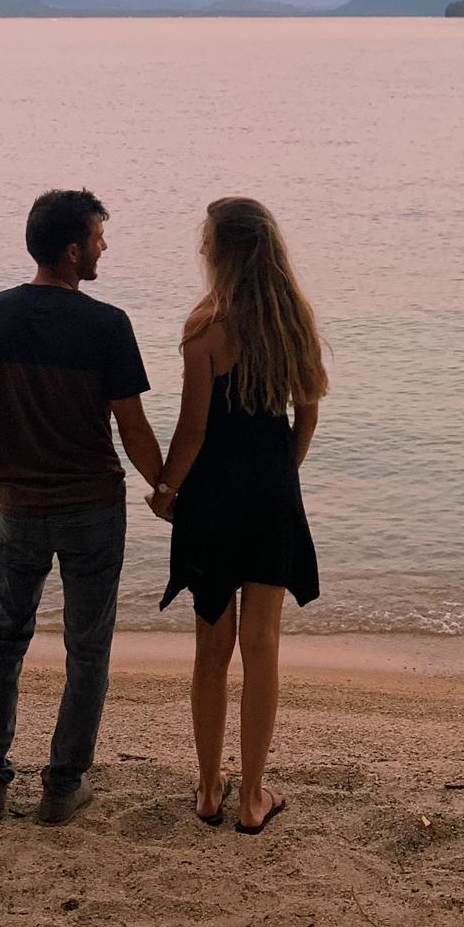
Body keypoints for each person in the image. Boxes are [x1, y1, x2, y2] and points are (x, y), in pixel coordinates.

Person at [0, 189, 163, 826]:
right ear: (74, 251)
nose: (105, 247)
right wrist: (168, 489)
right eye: (99, 238)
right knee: (88, 649)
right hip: (92, 510)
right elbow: (132, 430)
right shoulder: (107, 325)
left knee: (5, 639)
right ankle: (62, 785)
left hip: (17, 507)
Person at [150, 197, 326, 834]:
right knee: (264, 645)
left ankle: (206, 789)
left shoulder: (205, 325)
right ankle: (253, 796)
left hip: (214, 499)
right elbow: (307, 414)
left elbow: (192, 428)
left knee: (210, 649)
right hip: (270, 495)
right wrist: (284, 473)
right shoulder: (292, 320)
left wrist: (167, 490)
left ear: (218, 250)